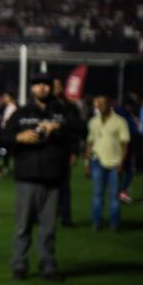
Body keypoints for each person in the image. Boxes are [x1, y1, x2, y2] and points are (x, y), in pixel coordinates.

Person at [0, 73, 78, 282]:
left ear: (51, 88)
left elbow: (81, 129)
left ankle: (48, 265)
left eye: (45, 85)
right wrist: (18, 137)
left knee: (49, 228)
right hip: (27, 176)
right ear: (32, 89)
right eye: (37, 85)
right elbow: (3, 137)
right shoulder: (21, 113)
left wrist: (58, 127)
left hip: (54, 177)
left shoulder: (63, 112)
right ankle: (19, 264)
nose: (42, 88)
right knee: (23, 226)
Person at [87, 95, 131, 231]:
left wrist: (122, 164)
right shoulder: (93, 121)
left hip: (115, 164)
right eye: (98, 103)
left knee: (114, 197)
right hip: (97, 161)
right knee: (97, 195)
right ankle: (96, 222)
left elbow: (124, 144)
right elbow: (90, 143)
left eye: (103, 103)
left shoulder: (120, 121)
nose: (100, 105)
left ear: (110, 103)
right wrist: (86, 163)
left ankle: (114, 224)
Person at [52, 78, 83, 227]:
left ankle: (66, 217)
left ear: (62, 87)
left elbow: (75, 131)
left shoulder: (70, 107)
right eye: (53, 85)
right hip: (47, 152)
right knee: (46, 186)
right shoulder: (43, 105)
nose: (55, 88)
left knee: (64, 186)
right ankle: (47, 214)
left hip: (64, 151)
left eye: (57, 85)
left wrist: (74, 152)